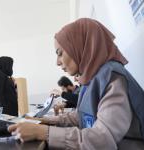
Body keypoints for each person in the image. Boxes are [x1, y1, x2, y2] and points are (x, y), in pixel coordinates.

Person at [8, 18, 144, 149]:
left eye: (60, 53)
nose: (57, 62)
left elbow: (103, 140)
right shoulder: (91, 79)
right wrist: (47, 120)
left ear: (80, 46)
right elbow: (82, 115)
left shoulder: (112, 78)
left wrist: (43, 132)